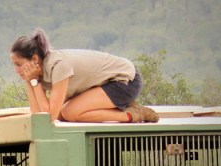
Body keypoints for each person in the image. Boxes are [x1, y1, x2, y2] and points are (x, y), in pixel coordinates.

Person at [10, 28, 158, 123]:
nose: (16, 70)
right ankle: (120, 106)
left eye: (19, 64)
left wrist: (34, 81)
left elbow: (50, 117)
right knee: (63, 114)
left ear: (35, 59)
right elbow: (39, 114)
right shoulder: (40, 74)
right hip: (102, 84)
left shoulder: (58, 66)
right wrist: (31, 81)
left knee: (69, 112)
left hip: (125, 81)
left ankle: (132, 114)